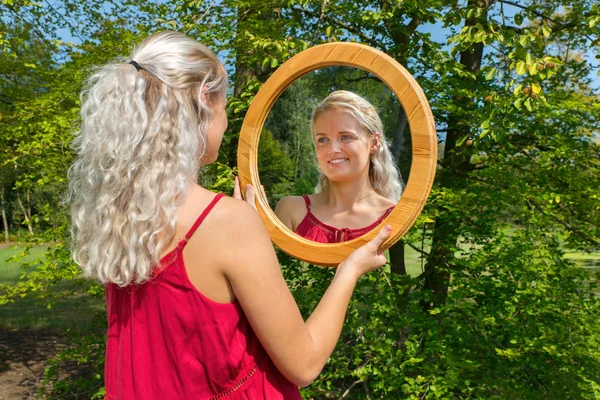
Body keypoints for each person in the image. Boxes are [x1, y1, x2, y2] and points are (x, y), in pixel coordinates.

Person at [67, 31, 392, 400]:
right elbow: (304, 364)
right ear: (205, 101)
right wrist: (349, 270)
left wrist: (247, 231)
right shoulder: (225, 221)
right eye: (225, 105)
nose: (226, 121)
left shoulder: (124, 214)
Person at [275, 90, 403, 243]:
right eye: (323, 140)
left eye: (346, 137)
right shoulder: (291, 210)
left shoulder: (395, 217)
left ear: (374, 143)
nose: (333, 149)